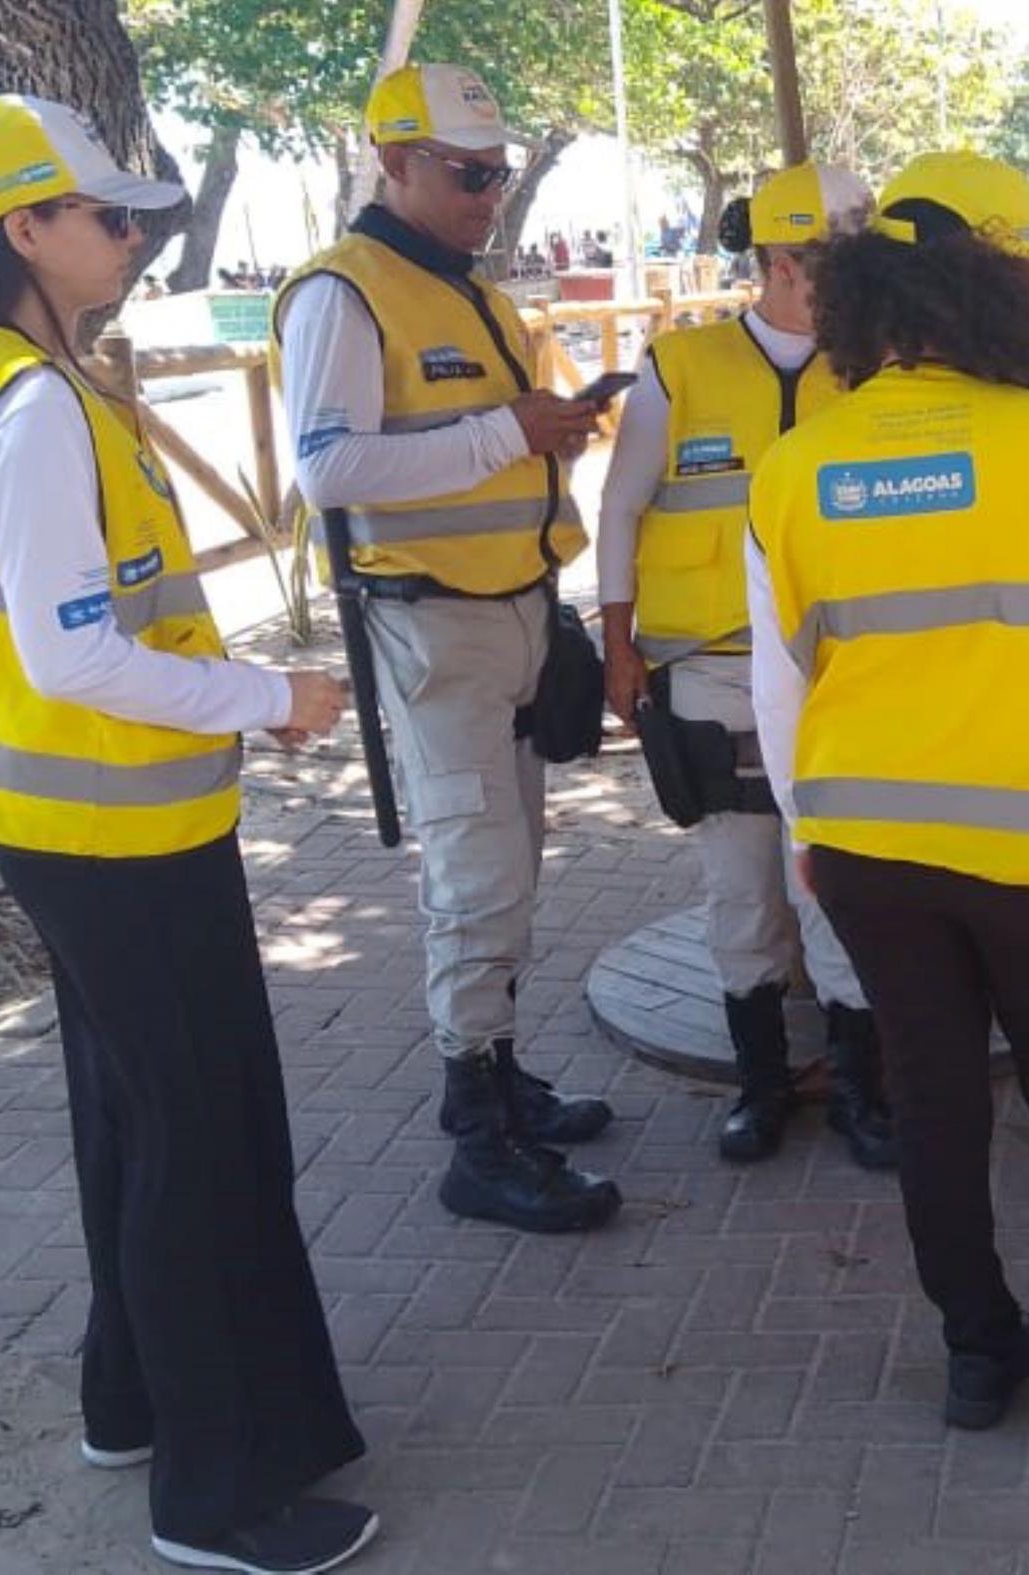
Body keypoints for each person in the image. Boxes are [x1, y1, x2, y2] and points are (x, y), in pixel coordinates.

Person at [0, 96, 375, 1573]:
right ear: (23, 228)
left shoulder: (20, 376)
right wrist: (270, 695)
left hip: (94, 826)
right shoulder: (36, 401)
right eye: (110, 214)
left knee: (138, 1116)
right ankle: (217, 1491)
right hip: (113, 832)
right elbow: (73, 655)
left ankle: (135, 1400)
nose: (135, 236)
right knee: (204, 1137)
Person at [747, 151, 1029, 1464]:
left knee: (936, 1101)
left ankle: (978, 1351)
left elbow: (779, 689)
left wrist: (807, 840)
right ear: (998, 285)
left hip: (872, 849)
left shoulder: (797, 462)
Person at [271, 63, 620, 1235]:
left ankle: (499, 1073)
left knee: (510, 866)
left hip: (510, 609)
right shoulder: (345, 292)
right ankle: (479, 1135)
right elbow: (326, 469)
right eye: (469, 175)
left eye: (498, 174)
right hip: (433, 624)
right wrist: (505, 431)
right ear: (396, 164)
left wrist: (545, 435)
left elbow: (479, 445)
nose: (488, 194)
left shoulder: (465, 290)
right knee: (476, 878)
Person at [596, 165, 893, 1168]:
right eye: (825, 265)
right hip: (709, 669)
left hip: (838, 677)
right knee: (742, 888)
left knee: (835, 886)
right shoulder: (677, 367)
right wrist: (615, 644)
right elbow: (620, 509)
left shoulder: (875, 372)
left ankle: (858, 1089)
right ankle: (763, 1084)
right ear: (774, 262)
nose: (846, 286)